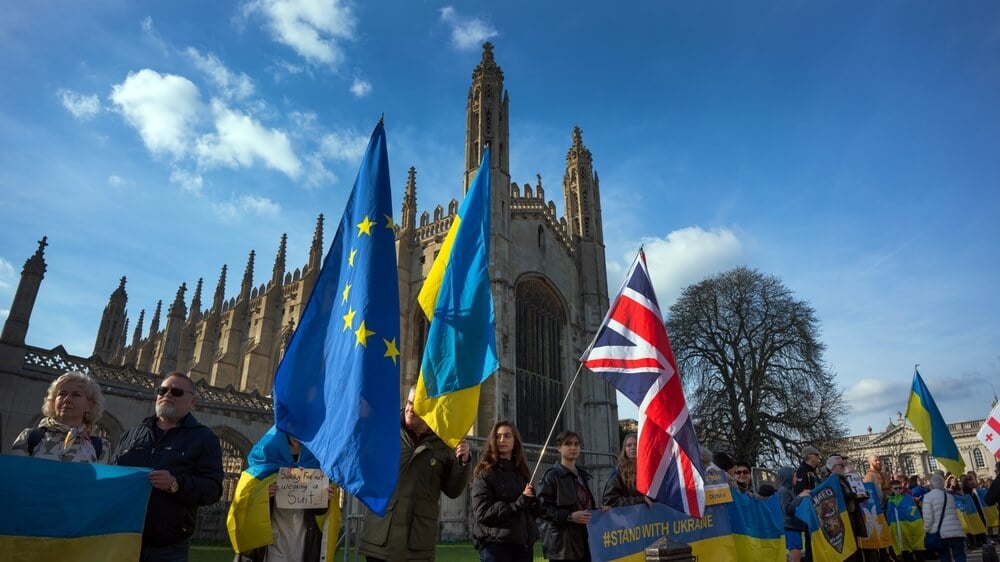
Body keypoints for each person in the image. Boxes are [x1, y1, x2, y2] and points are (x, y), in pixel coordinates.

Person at [112, 372, 224, 562]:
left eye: (176, 391)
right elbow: (112, 477)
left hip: (168, 546)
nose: (167, 395)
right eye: (162, 390)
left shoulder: (204, 438)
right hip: (122, 536)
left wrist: (176, 484)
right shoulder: (132, 434)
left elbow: (213, 489)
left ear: (192, 401)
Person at [358, 386, 472, 562]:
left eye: (417, 406)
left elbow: (453, 490)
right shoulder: (385, 428)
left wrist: (463, 463)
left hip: (418, 542)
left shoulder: (445, 442)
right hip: (381, 537)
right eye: (409, 402)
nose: (410, 409)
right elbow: (360, 465)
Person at [228, 427, 338, 562]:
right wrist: (264, 494)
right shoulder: (262, 465)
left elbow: (320, 513)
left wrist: (325, 497)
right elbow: (242, 504)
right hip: (273, 538)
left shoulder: (316, 464)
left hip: (302, 537)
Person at [470, 421, 538, 562]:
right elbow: (483, 513)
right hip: (496, 546)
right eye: (498, 436)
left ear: (515, 441)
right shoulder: (484, 473)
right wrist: (519, 503)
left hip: (522, 546)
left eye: (507, 436)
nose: (502, 440)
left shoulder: (522, 473)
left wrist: (533, 502)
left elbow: (529, 513)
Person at [10, 371, 109, 463]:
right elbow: (14, 475)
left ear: (90, 405)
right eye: (62, 394)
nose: (67, 399)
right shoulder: (29, 437)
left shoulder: (100, 447)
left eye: (76, 395)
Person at [538, 430, 601, 562]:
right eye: (568, 444)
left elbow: (584, 504)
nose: (573, 447)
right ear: (559, 448)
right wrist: (570, 516)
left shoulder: (583, 475)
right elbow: (542, 509)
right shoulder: (551, 476)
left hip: (585, 541)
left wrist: (600, 510)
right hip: (563, 546)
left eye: (576, 444)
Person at [923, 474, 966, 562]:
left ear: (931, 485)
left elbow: (928, 518)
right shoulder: (949, 496)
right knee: (960, 555)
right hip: (955, 529)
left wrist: (927, 530)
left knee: (944, 556)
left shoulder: (927, 497)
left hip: (940, 532)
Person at [602, 432, 650, 507]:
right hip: (629, 517)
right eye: (629, 445)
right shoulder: (618, 473)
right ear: (625, 450)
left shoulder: (650, 471)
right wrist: (640, 500)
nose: (633, 447)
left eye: (636, 444)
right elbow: (610, 500)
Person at [777, 466, 810, 562]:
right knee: (795, 553)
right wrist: (800, 496)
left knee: (797, 552)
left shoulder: (789, 491)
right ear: (788, 477)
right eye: (795, 476)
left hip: (794, 526)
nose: (797, 479)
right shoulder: (783, 491)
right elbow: (787, 509)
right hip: (790, 527)